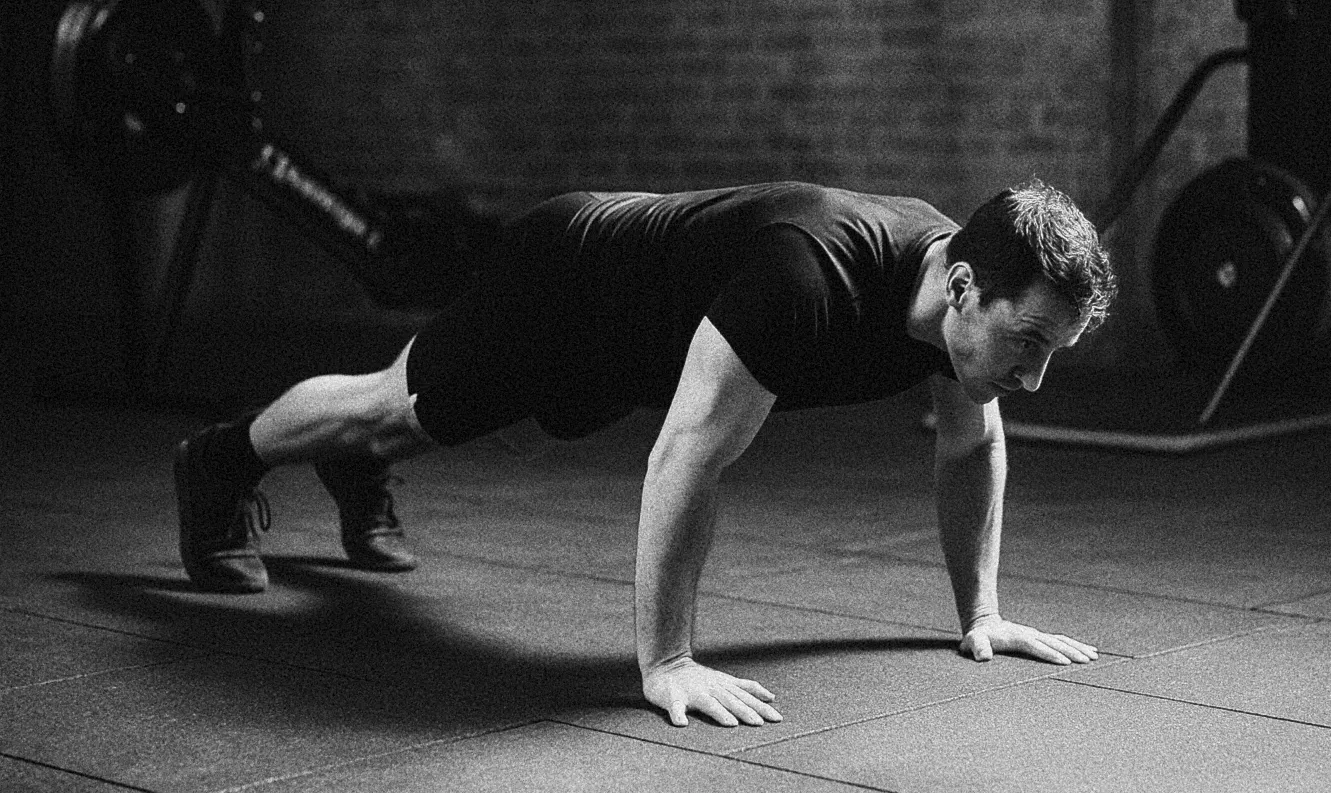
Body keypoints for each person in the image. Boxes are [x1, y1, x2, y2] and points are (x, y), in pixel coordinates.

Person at [173, 179, 1117, 728]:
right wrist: (667, 662)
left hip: (638, 344)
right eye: (1029, 343)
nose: (1033, 378)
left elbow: (969, 446)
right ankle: (222, 458)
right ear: (964, 287)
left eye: (1053, 353)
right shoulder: (806, 281)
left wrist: (982, 614)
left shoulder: (954, 306)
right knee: (394, 410)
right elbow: (684, 458)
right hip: (565, 282)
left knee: (484, 433)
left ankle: (354, 463)